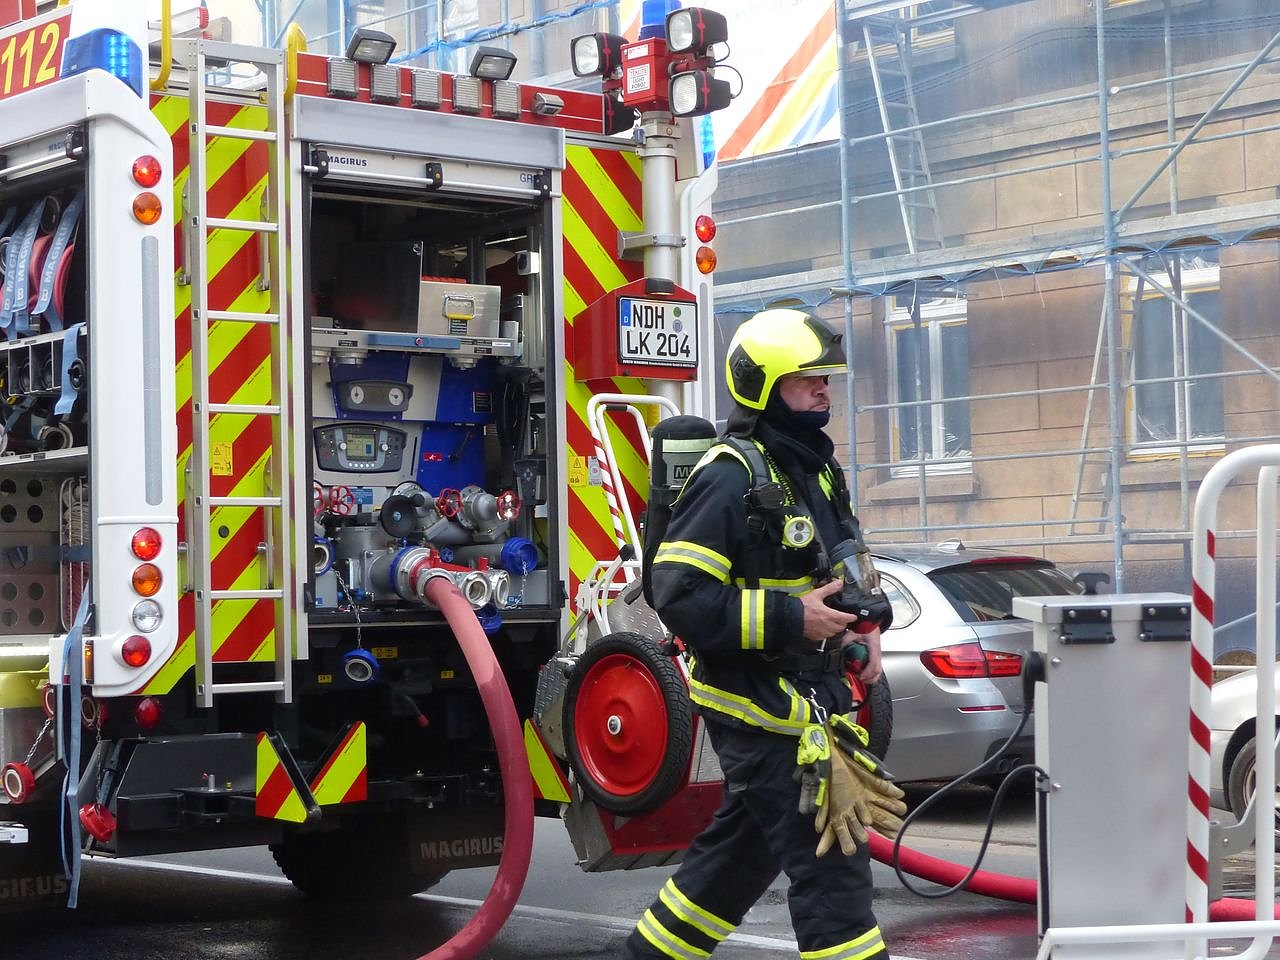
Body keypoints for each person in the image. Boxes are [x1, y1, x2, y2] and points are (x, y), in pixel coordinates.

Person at [622, 308, 902, 960]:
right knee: (834, 871)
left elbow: (846, 554)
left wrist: (868, 621)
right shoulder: (728, 476)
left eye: (826, 378)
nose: (824, 390)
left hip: (808, 697)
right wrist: (791, 618)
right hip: (760, 705)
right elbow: (680, 596)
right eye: (808, 379)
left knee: (736, 861)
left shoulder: (815, 468)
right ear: (766, 386)